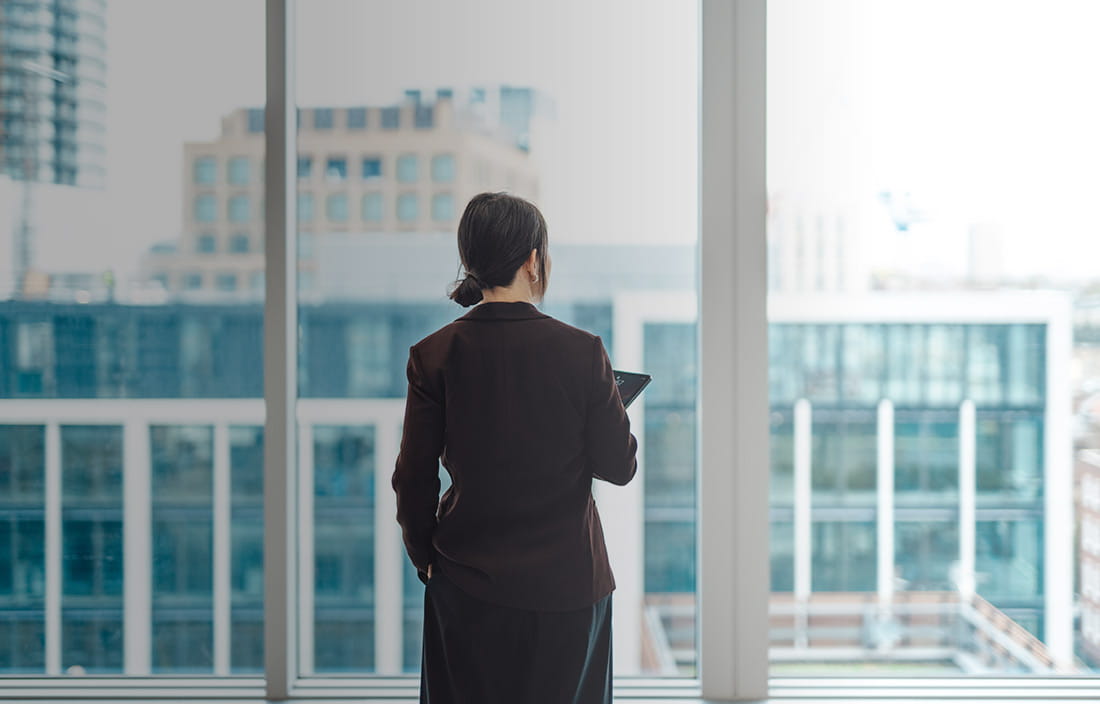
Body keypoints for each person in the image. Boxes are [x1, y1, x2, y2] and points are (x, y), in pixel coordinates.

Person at [392, 191, 638, 703]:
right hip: (569, 585)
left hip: (465, 584)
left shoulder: (432, 355)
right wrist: (607, 402)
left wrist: (427, 558)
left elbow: (413, 477)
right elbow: (619, 466)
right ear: (533, 259)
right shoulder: (583, 351)